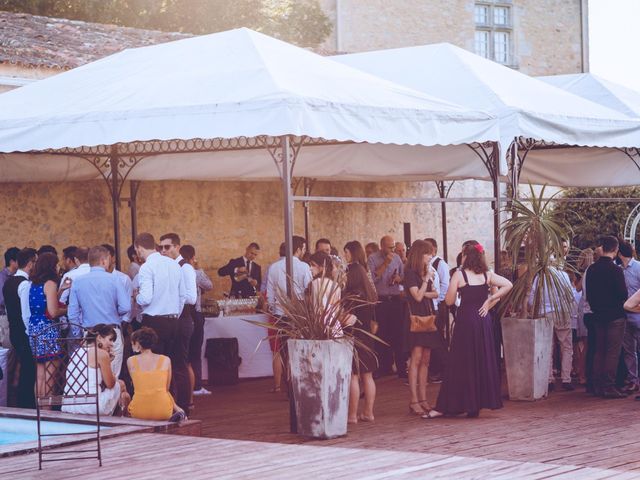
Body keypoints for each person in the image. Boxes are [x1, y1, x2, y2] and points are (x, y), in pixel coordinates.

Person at [425, 243, 512, 419]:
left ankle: (451, 405)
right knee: (480, 361)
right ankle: (475, 405)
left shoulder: (459, 274)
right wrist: (489, 301)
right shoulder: (487, 275)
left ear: (466, 257)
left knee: (460, 364)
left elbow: (449, 301)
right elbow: (508, 285)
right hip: (482, 321)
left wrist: (455, 289)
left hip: (466, 322)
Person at [67, 246, 131, 377]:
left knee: (91, 375)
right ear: (103, 261)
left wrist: (78, 333)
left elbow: (72, 313)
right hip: (112, 332)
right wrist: (113, 312)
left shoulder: (78, 282)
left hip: (89, 333)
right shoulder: (115, 279)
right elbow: (126, 307)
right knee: (112, 376)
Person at [266, 236, 312, 392]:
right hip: (299, 315)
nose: (304, 252)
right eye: (303, 249)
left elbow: (270, 295)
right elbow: (309, 291)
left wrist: (274, 309)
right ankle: (299, 383)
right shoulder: (304, 267)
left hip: (280, 315)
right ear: (298, 249)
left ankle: (288, 385)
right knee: (300, 349)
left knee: (285, 351)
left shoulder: (274, 267)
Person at [403, 240, 443, 416]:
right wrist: (426, 281)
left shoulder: (425, 272)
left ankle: (423, 398)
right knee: (416, 358)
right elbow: (417, 297)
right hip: (416, 319)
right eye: (427, 253)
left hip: (428, 317)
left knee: (426, 359)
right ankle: (414, 400)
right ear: (420, 254)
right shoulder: (410, 273)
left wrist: (426, 283)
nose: (430, 257)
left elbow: (435, 293)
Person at [158, 233, 197, 414]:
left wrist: (174, 293)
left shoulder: (185, 268)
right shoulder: (166, 267)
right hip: (170, 320)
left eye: (167, 247)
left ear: (177, 247)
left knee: (180, 364)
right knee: (170, 363)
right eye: (162, 248)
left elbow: (191, 297)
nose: (164, 251)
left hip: (182, 319)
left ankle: (184, 404)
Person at [585, 236, 628, 398]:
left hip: (598, 314)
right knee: (612, 352)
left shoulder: (592, 269)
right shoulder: (616, 270)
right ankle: (608, 386)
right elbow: (623, 294)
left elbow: (589, 294)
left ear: (602, 248)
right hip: (615, 315)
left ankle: (597, 385)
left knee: (599, 351)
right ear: (616, 250)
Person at [343, 241, 378, 424]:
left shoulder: (350, 294)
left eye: (345, 253)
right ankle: (369, 412)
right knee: (368, 375)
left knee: (353, 376)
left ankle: (352, 415)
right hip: (367, 334)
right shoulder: (367, 287)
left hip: (353, 334)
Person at [28, 252, 70, 401]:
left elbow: (45, 304)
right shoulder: (50, 283)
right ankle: (47, 410)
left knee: (40, 373)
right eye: (56, 264)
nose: (58, 266)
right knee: (50, 373)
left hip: (35, 329)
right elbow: (53, 312)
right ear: (51, 266)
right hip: (48, 330)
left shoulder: (34, 284)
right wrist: (68, 309)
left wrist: (62, 290)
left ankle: (39, 409)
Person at [62, 324, 128, 416]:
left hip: (68, 404)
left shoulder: (76, 352)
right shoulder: (101, 354)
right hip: (91, 405)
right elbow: (110, 384)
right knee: (121, 385)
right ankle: (119, 420)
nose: (112, 344)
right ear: (99, 337)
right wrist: (108, 361)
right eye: (110, 339)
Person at [529, 263, 574, 392]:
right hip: (561, 312)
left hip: (545, 313)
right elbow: (570, 295)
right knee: (566, 346)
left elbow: (532, 298)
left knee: (547, 346)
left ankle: (549, 379)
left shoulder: (539, 277)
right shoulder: (564, 275)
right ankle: (566, 378)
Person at [2, 248, 37, 407]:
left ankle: (18, 402)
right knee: (28, 370)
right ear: (30, 264)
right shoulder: (24, 284)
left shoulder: (8, 282)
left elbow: (9, 310)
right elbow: (26, 314)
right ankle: (26, 404)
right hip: (24, 333)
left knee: (19, 368)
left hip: (13, 331)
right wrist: (31, 334)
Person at [367, 235, 405, 378]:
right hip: (381, 301)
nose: (392, 250)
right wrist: (385, 264)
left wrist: (398, 279)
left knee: (398, 335)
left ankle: (401, 368)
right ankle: (383, 367)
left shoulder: (397, 258)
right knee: (381, 335)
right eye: (390, 247)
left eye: (393, 247)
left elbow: (403, 276)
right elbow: (372, 278)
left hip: (395, 300)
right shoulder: (372, 258)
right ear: (382, 246)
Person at [179, 244, 214, 397]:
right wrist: (199, 269)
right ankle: (197, 385)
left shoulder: (176, 271)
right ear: (193, 257)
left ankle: (183, 385)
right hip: (195, 314)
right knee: (195, 352)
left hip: (180, 315)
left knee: (183, 352)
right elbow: (209, 285)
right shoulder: (195, 273)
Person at [127, 327, 184, 420]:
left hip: (139, 411)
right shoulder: (166, 360)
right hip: (163, 411)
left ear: (137, 343)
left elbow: (137, 384)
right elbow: (166, 388)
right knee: (163, 392)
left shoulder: (130, 361)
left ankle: (179, 410)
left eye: (132, 343)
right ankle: (178, 410)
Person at [424, 238, 450, 384]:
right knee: (435, 338)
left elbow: (445, 284)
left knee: (438, 338)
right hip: (433, 304)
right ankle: (436, 369)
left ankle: (443, 369)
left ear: (432, 249)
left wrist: (437, 300)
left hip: (438, 305)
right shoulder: (428, 265)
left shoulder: (440, 264)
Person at [618, 241, 640, 394]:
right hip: (624, 316)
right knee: (628, 350)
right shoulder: (618, 270)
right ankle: (633, 380)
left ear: (619, 253)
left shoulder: (638, 267)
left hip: (638, 315)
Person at [308, 251, 343, 336]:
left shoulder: (317, 283)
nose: (310, 268)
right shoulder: (336, 286)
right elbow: (337, 310)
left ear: (322, 267)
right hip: (334, 329)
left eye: (313, 265)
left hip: (319, 329)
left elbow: (316, 308)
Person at [0, 247, 20, 315]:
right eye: (19, 260)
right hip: (3, 315)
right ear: (11, 261)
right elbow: (2, 299)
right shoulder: (2, 277)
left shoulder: (17, 274)